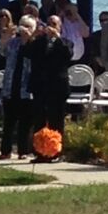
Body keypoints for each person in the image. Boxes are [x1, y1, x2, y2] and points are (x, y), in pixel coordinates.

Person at [28, 15, 72, 162]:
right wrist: (33, 35)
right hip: (41, 86)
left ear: (60, 27)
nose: (51, 27)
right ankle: (40, 153)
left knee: (56, 120)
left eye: (54, 24)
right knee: (39, 120)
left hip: (57, 87)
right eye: (49, 24)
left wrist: (57, 38)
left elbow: (68, 55)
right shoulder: (39, 42)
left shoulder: (65, 42)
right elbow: (27, 52)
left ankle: (56, 153)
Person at [0, 15, 35, 160]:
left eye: (28, 26)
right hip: (10, 87)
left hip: (26, 89)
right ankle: (5, 151)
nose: (25, 29)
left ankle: (23, 151)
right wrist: (6, 36)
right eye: (23, 25)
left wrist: (28, 39)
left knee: (25, 123)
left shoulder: (34, 44)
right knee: (9, 122)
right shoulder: (13, 42)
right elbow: (2, 51)